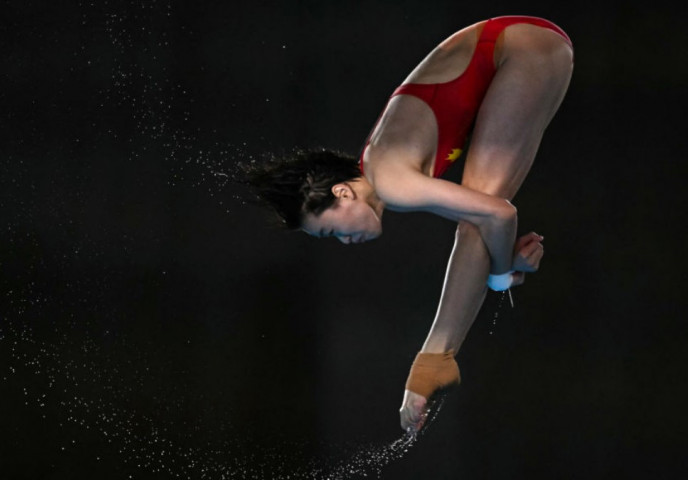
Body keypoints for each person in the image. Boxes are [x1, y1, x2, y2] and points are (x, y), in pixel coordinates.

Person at [244, 15, 573, 434]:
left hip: (521, 49)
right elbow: (495, 214)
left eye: (332, 230)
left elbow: (500, 214)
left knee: (479, 221)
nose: (345, 242)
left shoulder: (393, 183)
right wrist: (502, 262)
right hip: (524, 46)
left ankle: (432, 360)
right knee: (478, 220)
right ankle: (434, 359)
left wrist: (501, 273)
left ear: (342, 193)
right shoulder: (378, 165)